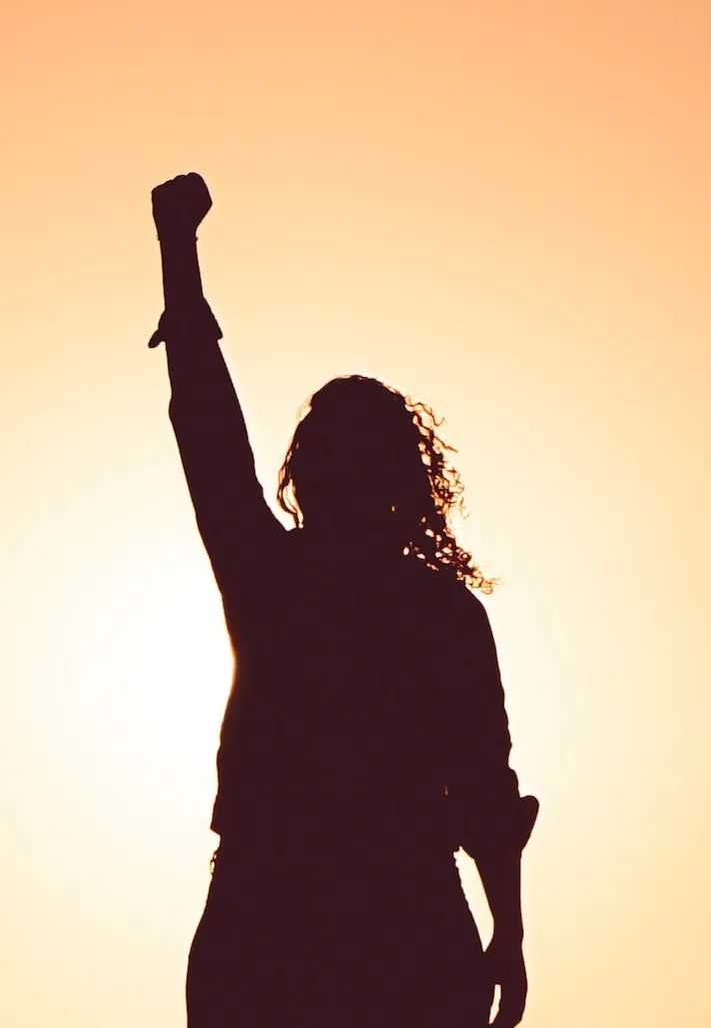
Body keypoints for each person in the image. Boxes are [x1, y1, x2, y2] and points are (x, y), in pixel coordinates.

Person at [147, 172, 539, 1027]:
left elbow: (483, 788)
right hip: (332, 916)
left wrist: (179, 254)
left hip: (322, 918)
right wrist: (507, 932)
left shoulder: (286, 580)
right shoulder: (415, 607)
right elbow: (205, 424)